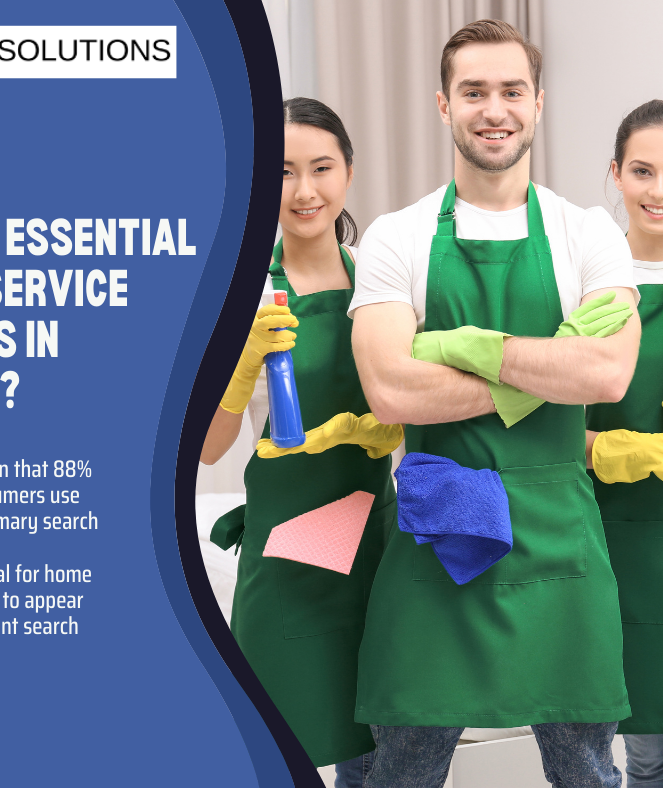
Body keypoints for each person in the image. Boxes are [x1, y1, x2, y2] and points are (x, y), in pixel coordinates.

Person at [348, 19, 641, 788]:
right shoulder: (397, 236)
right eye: (473, 91)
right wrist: (544, 369)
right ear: (443, 105)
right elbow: (388, 386)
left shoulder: (590, 234)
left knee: (585, 769)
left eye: (511, 90)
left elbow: (607, 374)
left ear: (538, 103)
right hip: (435, 531)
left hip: (561, 544)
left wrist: (459, 347)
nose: (493, 108)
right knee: (401, 770)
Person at [201, 97, 403, 784]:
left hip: (373, 545)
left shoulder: (385, 279)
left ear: (349, 171)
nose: (305, 190)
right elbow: (205, 448)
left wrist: (391, 425)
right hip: (288, 554)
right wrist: (236, 373)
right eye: (283, 172)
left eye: (322, 167)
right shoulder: (238, 292)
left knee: (378, 752)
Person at [587, 100, 663, 788]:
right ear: (615, 175)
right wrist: (608, 449)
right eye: (642, 170)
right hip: (612, 542)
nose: (659, 190)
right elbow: (536, 428)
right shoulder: (585, 294)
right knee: (641, 754)